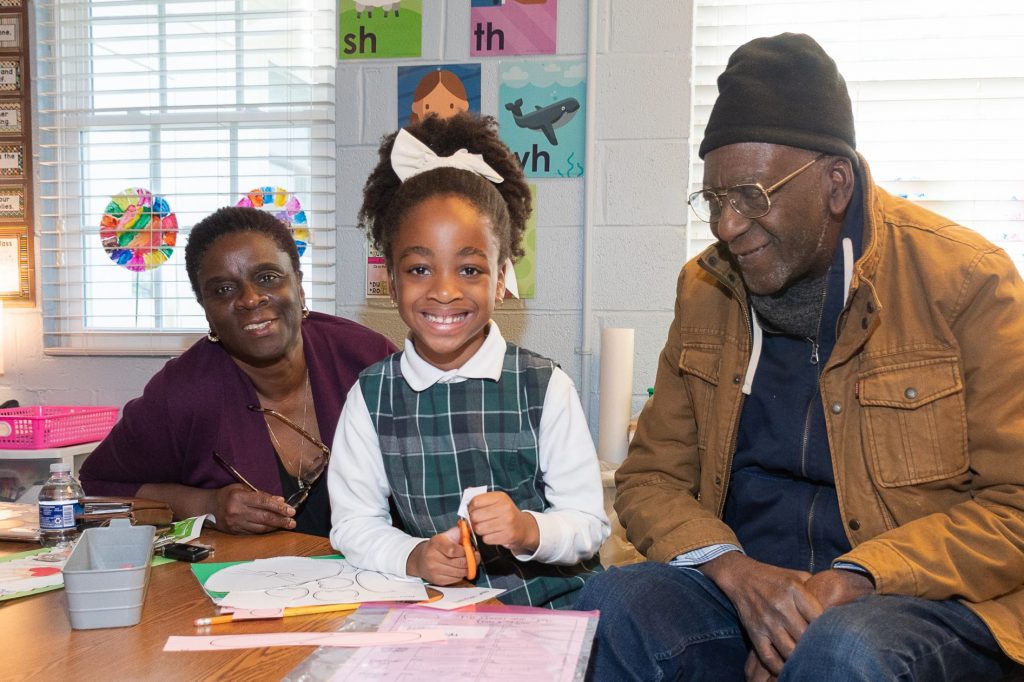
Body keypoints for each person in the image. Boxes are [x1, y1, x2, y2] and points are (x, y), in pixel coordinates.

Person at [576, 33, 1024, 681]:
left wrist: (850, 581)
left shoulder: (968, 282)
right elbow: (652, 480)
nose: (727, 226)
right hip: (748, 588)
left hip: (912, 601)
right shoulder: (704, 287)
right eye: (715, 200)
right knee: (610, 607)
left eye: (751, 197)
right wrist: (738, 576)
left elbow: (1015, 505)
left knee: (841, 651)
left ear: (835, 184)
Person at [327, 113, 609, 608]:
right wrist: (414, 555)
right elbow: (354, 524)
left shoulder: (544, 386)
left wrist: (527, 530)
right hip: (439, 613)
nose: (443, 290)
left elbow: (587, 523)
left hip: (553, 608)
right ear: (390, 283)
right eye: (418, 269)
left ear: (500, 279)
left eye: (470, 269)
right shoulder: (371, 397)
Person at [79, 206, 397, 537]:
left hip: (377, 575)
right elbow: (99, 486)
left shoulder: (366, 359)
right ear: (205, 309)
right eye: (223, 290)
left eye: (268, 278)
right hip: (245, 582)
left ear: (299, 286)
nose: (249, 299)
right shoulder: (182, 392)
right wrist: (208, 506)